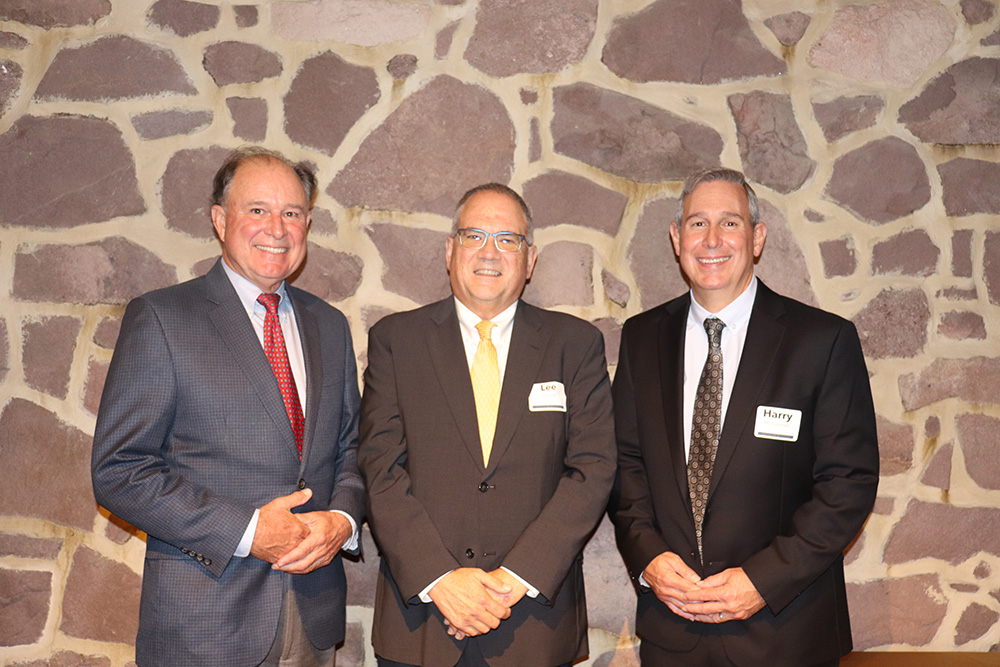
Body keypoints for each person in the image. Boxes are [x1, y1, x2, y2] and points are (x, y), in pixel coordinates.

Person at [91, 146, 364, 667]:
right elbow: (119, 471)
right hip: (204, 624)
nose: (276, 228)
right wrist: (246, 531)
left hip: (312, 620)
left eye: (292, 213)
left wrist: (343, 522)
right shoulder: (163, 319)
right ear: (220, 219)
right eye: (257, 210)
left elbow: (350, 450)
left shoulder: (330, 325)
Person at [609, 168, 879, 666]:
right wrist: (649, 559)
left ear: (757, 239)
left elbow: (849, 484)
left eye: (730, 224)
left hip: (785, 633)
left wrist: (763, 580)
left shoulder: (820, 341)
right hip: (674, 632)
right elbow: (624, 465)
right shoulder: (641, 338)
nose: (711, 240)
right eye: (696, 224)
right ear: (676, 237)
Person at [358, 183, 616, 667]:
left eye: (507, 239)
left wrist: (511, 580)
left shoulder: (574, 345)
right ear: (450, 250)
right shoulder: (397, 341)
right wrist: (442, 581)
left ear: (530, 258)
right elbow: (379, 470)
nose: (489, 252)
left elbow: (594, 470)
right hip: (423, 627)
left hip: (535, 627)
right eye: (474, 235)